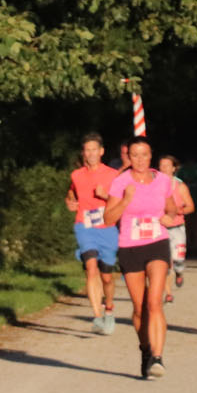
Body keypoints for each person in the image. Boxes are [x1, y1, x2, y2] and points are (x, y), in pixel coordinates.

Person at [104, 136, 175, 379]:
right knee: (140, 308)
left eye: (144, 154)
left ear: (150, 156)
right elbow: (108, 218)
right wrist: (126, 200)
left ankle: (158, 357)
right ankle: (145, 349)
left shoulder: (162, 180)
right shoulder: (121, 182)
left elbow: (172, 207)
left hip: (157, 243)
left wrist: (169, 216)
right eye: (135, 155)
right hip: (130, 247)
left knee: (155, 302)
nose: (140, 160)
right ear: (128, 157)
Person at [65, 133, 120, 335]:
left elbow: (122, 200)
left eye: (94, 150)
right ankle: (97, 317)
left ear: (101, 151)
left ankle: (109, 309)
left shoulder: (112, 174)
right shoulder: (76, 175)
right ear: (83, 153)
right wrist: (69, 201)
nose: (91, 154)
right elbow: (71, 192)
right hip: (84, 225)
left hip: (107, 227)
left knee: (107, 277)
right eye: (87, 150)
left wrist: (106, 196)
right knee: (91, 268)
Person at [156, 154, 196, 302]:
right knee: (165, 262)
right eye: (161, 165)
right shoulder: (153, 184)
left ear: (174, 168)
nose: (164, 168)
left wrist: (179, 210)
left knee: (178, 259)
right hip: (160, 227)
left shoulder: (180, 186)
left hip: (177, 227)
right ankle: (168, 293)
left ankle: (179, 272)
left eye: (167, 165)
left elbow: (191, 207)